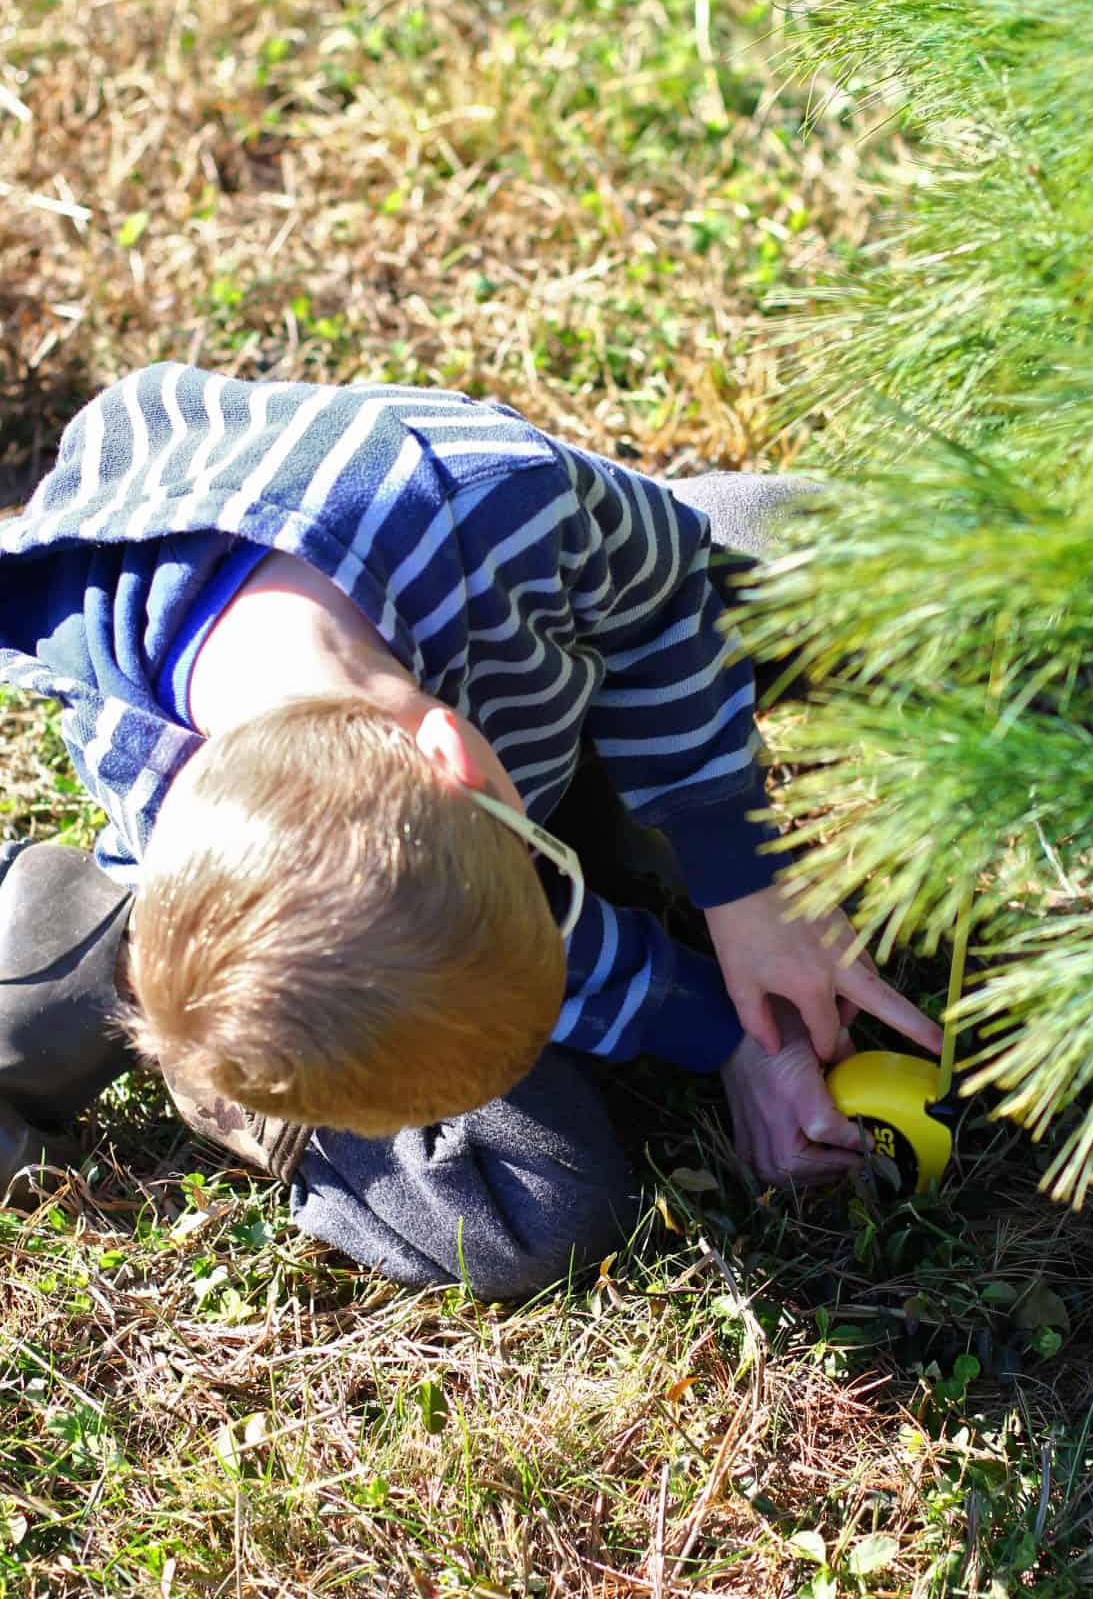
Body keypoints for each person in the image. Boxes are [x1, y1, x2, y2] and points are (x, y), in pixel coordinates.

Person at [0, 364, 940, 1296]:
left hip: (567, 641)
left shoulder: (485, 498)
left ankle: (113, 960)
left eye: (542, 882)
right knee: (541, 1218)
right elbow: (497, 921)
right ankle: (161, 996)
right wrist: (724, 1031)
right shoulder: (150, 771)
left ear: (453, 759)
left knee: (838, 559)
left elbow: (663, 609)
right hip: (347, 879)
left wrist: (744, 878)